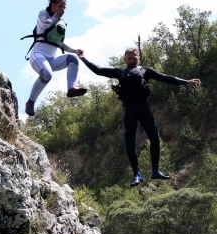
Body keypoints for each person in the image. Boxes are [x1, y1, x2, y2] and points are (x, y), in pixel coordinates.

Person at [79, 48, 201, 187]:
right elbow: (98, 70)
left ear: (139, 58)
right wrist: (83, 58)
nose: (131, 60)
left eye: (134, 58)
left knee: (155, 138)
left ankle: (156, 170)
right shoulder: (119, 72)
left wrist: (186, 82)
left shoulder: (146, 71)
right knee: (130, 143)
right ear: (125, 59)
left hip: (144, 109)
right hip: (128, 111)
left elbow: (166, 78)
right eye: (129, 58)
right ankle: (137, 174)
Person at [22, 0, 87, 116]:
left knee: (73, 58)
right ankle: (30, 102)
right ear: (53, 5)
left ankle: (71, 88)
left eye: (64, 7)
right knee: (47, 74)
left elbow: (59, 43)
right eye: (60, 6)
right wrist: (56, 15)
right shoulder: (43, 13)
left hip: (51, 59)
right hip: (38, 55)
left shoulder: (61, 22)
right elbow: (45, 24)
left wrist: (74, 51)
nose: (62, 9)